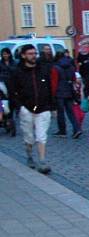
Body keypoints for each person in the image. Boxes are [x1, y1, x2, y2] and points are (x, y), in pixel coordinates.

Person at [7, 44, 55, 174]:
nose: (33, 56)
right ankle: (29, 155)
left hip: (43, 108)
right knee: (29, 137)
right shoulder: (17, 72)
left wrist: (52, 106)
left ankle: (42, 160)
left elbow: (50, 88)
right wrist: (19, 107)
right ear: (23, 55)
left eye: (34, 53)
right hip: (26, 108)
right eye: (30, 53)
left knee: (41, 136)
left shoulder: (42, 69)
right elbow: (12, 91)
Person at [53, 51, 81, 139]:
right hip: (69, 91)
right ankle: (77, 128)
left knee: (60, 113)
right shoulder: (71, 67)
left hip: (59, 92)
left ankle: (62, 131)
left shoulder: (55, 68)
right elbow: (74, 79)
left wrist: (53, 94)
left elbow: (54, 83)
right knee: (71, 112)